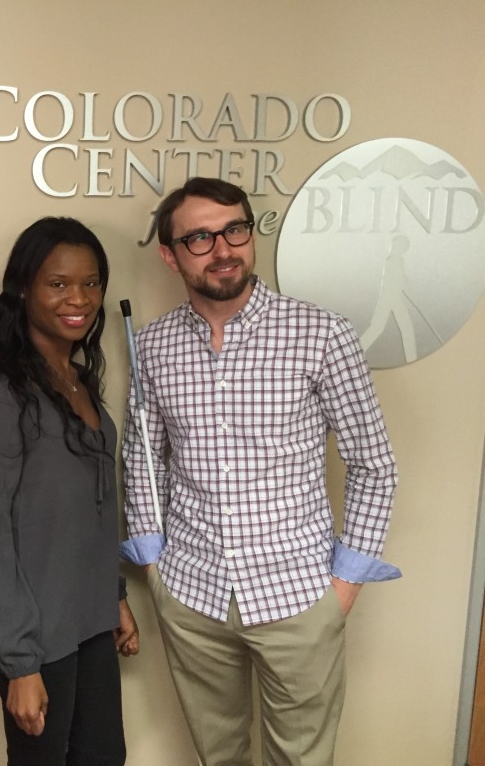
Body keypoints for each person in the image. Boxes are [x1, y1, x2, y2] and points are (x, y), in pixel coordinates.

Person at [121, 177, 400, 765]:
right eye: (199, 237)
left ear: (250, 235)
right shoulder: (152, 347)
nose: (223, 248)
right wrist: (155, 561)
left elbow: (373, 463)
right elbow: (143, 458)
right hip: (192, 591)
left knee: (301, 758)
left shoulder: (321, 334)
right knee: (218, 754)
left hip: (299, 594)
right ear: (170, 255)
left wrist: (344, 583)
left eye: (234, 229)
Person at [0, 216, 140, 766]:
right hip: (37, 635)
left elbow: (88, 513)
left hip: (89, 620)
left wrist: (113, 596)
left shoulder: (79, 379)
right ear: (24, 289)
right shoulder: (6, 396)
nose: (80, 298)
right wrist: (20, 664)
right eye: (59, 283)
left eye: (91, 283)